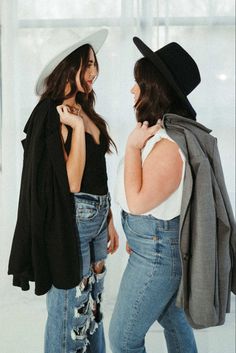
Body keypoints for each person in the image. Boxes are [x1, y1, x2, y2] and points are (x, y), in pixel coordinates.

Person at [8, 29, 119, 353]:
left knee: (92, 306)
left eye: (95, 64)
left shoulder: (83, 108)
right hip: (72, 221)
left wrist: (108, 218)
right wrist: (76, 128)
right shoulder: (55, 115)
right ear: (68, 68)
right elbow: (71, 182)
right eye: (86, 65)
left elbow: (97, 173)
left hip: (97, 217)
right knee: (68, 309)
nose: (94, 72)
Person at [108, 38, 203, 353]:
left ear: (155, 88)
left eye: (139, 83)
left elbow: (137, 202)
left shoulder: (167, 145)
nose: (132, 90)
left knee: (123, 339)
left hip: (157, 255)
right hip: (152, 247)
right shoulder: (158, 133)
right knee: (173, 321)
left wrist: (134, 146)